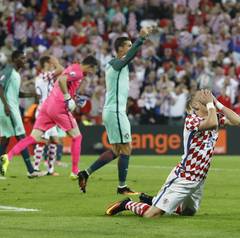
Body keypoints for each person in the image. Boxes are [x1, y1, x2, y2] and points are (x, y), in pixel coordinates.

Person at [105, 89, 240, 218]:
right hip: (184, 177)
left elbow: (238, 121)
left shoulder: (214, 116)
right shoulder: (191, 120)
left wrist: (217, 102)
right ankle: (126, 204)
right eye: (203, 96)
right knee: (152, 215)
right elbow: (211, 124)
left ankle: (154, 200)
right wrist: (211, 104)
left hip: (199, 179)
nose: (207, 96)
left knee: (188, 212)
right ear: (195, 104)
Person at [77, 27, 155, 195]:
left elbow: (130, 57)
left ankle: (86, 173)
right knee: (126, 148)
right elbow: (128, 58)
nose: (130, 48)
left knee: (116, 150)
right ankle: (122, 187)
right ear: (120, 49)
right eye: (128, 45)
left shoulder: (117, 65)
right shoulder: (115, 64)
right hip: (115, 112)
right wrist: (140, 39)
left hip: (114, 111)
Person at [0, 55, 98, 179]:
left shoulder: (73, 67)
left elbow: (63, 81)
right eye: (94, 70)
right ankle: (74, 171)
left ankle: (7, 157)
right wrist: (68, 97)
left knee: (34, 137)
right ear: (90, 67)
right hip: (58, 106)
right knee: (77, 137)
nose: (93, 73)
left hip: (46, 106)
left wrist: (75, 98)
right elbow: (62, 80)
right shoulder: (78, 72)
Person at [0, 50, 41, 178]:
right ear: (15, 59)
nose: (25, 61)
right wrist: (6, 106)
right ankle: (31, 170)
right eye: (22, 58)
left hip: (10, 108)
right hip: (8, 109)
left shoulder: (16, 74)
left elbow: (17, 94)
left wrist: (32, 94)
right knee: (21, 137)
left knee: (5, 140)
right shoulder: (8, 70)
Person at [32, 56, 64, 176]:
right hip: (44, 112)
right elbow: (61, 69)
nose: (52, 65)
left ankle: (50, 170)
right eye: (50, 63)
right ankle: (35, 168)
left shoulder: (43, 77)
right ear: (46, 63)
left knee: (54, 140)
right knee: (42, 141)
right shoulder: (43, 76)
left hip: (50, 111)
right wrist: (57, 62)